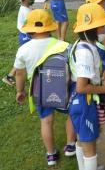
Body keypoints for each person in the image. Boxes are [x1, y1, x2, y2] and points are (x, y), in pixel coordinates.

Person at [14, 9, 76, 166]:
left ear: (30, 29)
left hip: (39, 91)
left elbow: (19, 74)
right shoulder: (63, 45)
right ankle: (70, 145)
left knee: (46, 121)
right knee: (72, 114)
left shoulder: (23, 50)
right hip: (63, 88)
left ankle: (51, 154)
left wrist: (20, 91)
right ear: (50, 27)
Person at [69, 3, 105, 170]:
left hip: (80, 100)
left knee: (82, 140)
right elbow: (82, 87)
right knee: (90, 148)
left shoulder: (83, 44)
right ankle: (90, 165)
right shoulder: (85, 53)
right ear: (93, 28)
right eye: (102, 24)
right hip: (84, 102)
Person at [2, 0, 34, 86]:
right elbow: (33, 22)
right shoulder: (26, 11)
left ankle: (10, 76)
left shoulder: (25, 8)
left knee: (23, 58)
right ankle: (11, 76)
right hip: (26, 37)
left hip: (24, 35)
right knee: (24, 58)